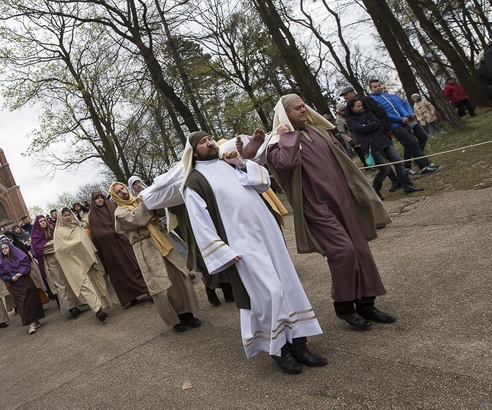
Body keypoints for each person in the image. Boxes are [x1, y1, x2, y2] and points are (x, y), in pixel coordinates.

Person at [182, 131, 325, 374]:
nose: (209, 143)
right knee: (270, 293)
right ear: (194, 152)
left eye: (209, 139)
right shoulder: (193, 182)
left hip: (267, 235)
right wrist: (222, 252)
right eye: (202, 142)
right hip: (241, 244)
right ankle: (279, 350)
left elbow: (262, 184)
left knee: (288, 286)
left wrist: (243, 163)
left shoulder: (229, 164)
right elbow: (199, 222)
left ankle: (300, 345)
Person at [266, 94, 396, 330]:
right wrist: (286, 136)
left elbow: (343, 159)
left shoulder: (319, 132)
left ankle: (367, 303)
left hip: (343, 199)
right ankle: (345, 306)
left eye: (304, 105)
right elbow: (285, 164)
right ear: (285, 114)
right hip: (316, 205)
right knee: (342, 252)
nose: (303, 110)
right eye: (297, 109)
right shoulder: (277, 141)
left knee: (360, 250)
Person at [111, 182, 202, 332]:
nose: (123, 192)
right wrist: (145, 202)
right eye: (118, 192)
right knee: (160, 285)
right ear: (115, 196)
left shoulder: (139, 201)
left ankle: (187, 313)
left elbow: (158, 211)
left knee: (178, 276)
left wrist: (151, 199)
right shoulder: (119, 212)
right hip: (145, 248)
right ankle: (175, 319)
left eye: (123, 188)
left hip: (162, 240)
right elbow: (136, 219)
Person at [346, 98, 424, 199]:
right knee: (385, 169)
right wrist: (370, 126)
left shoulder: (368, 113)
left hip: (384, 141)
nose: (361, 108)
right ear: (352, 108)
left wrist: (369, 126)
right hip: (371, 146)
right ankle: (376, 189)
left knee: (398, 163)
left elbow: (378, 123)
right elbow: (361, 129)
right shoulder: (351, 120)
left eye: (361, 105)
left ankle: (407, 185)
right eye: (358, 106)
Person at [85, 190, 148, 307]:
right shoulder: (93, 216)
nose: (100, 200)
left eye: (101, 197)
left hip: (122, 241)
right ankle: (130, 296)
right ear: (93, 201)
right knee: (120, 269)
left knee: (133, 264)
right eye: (97, 198)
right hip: (110, 248)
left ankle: (146, 289)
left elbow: (121, 220)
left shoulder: (111, 207)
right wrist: (110, 232)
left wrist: (117, 230)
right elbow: (97, 233)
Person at [368, 80, 440, 175]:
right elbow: (384, 114)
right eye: (374, 87)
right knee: (410, 143)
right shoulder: (373, 100)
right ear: (371, 89)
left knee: (412, 143)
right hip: (394, 125)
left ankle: (421, 165)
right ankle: (421, 166)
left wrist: (407, 115)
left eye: (378, 86)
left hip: (404, 122)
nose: (377, 88)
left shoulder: (388, 96)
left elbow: (400, 106)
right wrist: (400, 119)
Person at [53, 208, 112, 322]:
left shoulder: (77, 226)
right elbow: (60, 249)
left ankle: (103, 304)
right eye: (64, 215)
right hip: (73, 262)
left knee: (97, 281)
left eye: (69, 214)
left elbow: (86, 241)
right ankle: (97, 309)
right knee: (85, 285)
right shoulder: (59, 232)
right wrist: (75, 245)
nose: (67, 217)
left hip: (87, 258)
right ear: (60, 217)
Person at [0, 238, 45, 334]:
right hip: (15, 285)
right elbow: (2, 275)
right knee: (22, 304)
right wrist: (11, 278)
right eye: (2, 249)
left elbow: (26, 264)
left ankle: (36, 320)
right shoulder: (2, 262)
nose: (4, 250)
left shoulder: (19, 256)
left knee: (32, 300)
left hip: (26, 281)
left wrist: (21, 273)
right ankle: (29, 323)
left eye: (6, 248)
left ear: (10, 248)